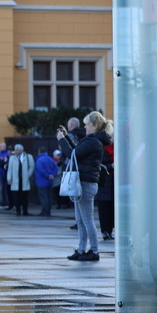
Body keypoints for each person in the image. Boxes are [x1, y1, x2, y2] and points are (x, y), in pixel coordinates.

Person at [57, 111, 112, 262]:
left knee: (87, 219)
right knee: (81, 220)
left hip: (85, 183)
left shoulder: (93, 141)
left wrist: (62, 140)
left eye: (87, 124)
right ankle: (82, 250)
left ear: (94, 126)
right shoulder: (92, 140)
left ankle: (94, 251)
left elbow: (72, 154)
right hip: (84, 183)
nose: (85, 127)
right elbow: (77, 151)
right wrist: (67, 136)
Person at [6, 143, 34, 216]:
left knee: (24, 197)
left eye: (17, 150)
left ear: (21, 150)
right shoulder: (12, 158)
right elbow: (9, 169)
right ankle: (18, 211)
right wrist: (9, 178)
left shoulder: (28, 157)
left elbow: (32, 167)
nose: (15, 151)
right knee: (16, 197)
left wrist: (28, 175)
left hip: (24, 180)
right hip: (15, 180)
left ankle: (25, 211)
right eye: (15, 150)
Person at [34, 148, 57, 217]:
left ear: (39, 152)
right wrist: (52, 175)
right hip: (50, 181)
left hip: (41, 181)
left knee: (43, 197)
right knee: (49, 196)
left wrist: (47, 175)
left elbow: (40, 170)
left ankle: (44, 211)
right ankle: (48, 211)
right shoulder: (50, 159)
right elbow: (56, 168)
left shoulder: (39, 160)